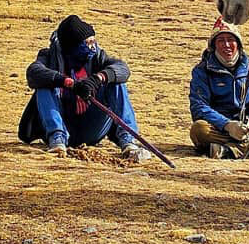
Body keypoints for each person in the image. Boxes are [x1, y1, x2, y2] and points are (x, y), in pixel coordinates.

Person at [19, 14, 150, 162]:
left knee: (116, 80)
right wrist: (69, 83)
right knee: (44, 84)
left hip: (92, 125)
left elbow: (122, 69)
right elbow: (34, 72)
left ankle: (127, 141)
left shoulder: (98, 57)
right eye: (88, 43)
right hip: (64, 121)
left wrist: (98, 78)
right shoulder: (48, 57)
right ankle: (57, 139)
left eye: (94, 41)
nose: (93, 47)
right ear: (73, 46)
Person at [189, 20, 249, 159]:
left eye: (230, 40)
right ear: (213, 46)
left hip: (247, 128)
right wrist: (227, 125)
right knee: (199, 129)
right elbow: (199, 107)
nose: (226, 45)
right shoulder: (202, 71)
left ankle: (228, 151)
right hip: (218, 128)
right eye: (221, 40)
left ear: (238, 44)